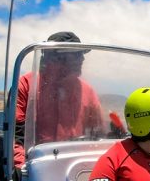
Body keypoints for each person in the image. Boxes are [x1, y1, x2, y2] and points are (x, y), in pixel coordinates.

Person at [13, 31, 103, 168]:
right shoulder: (26, 84)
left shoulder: (88, 91)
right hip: (34, 168)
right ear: (57, 57)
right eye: (77, 54)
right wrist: (21, 168)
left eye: (82, 55)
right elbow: (16, 133)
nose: (82, 59)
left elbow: (98, 134)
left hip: (76, 169)